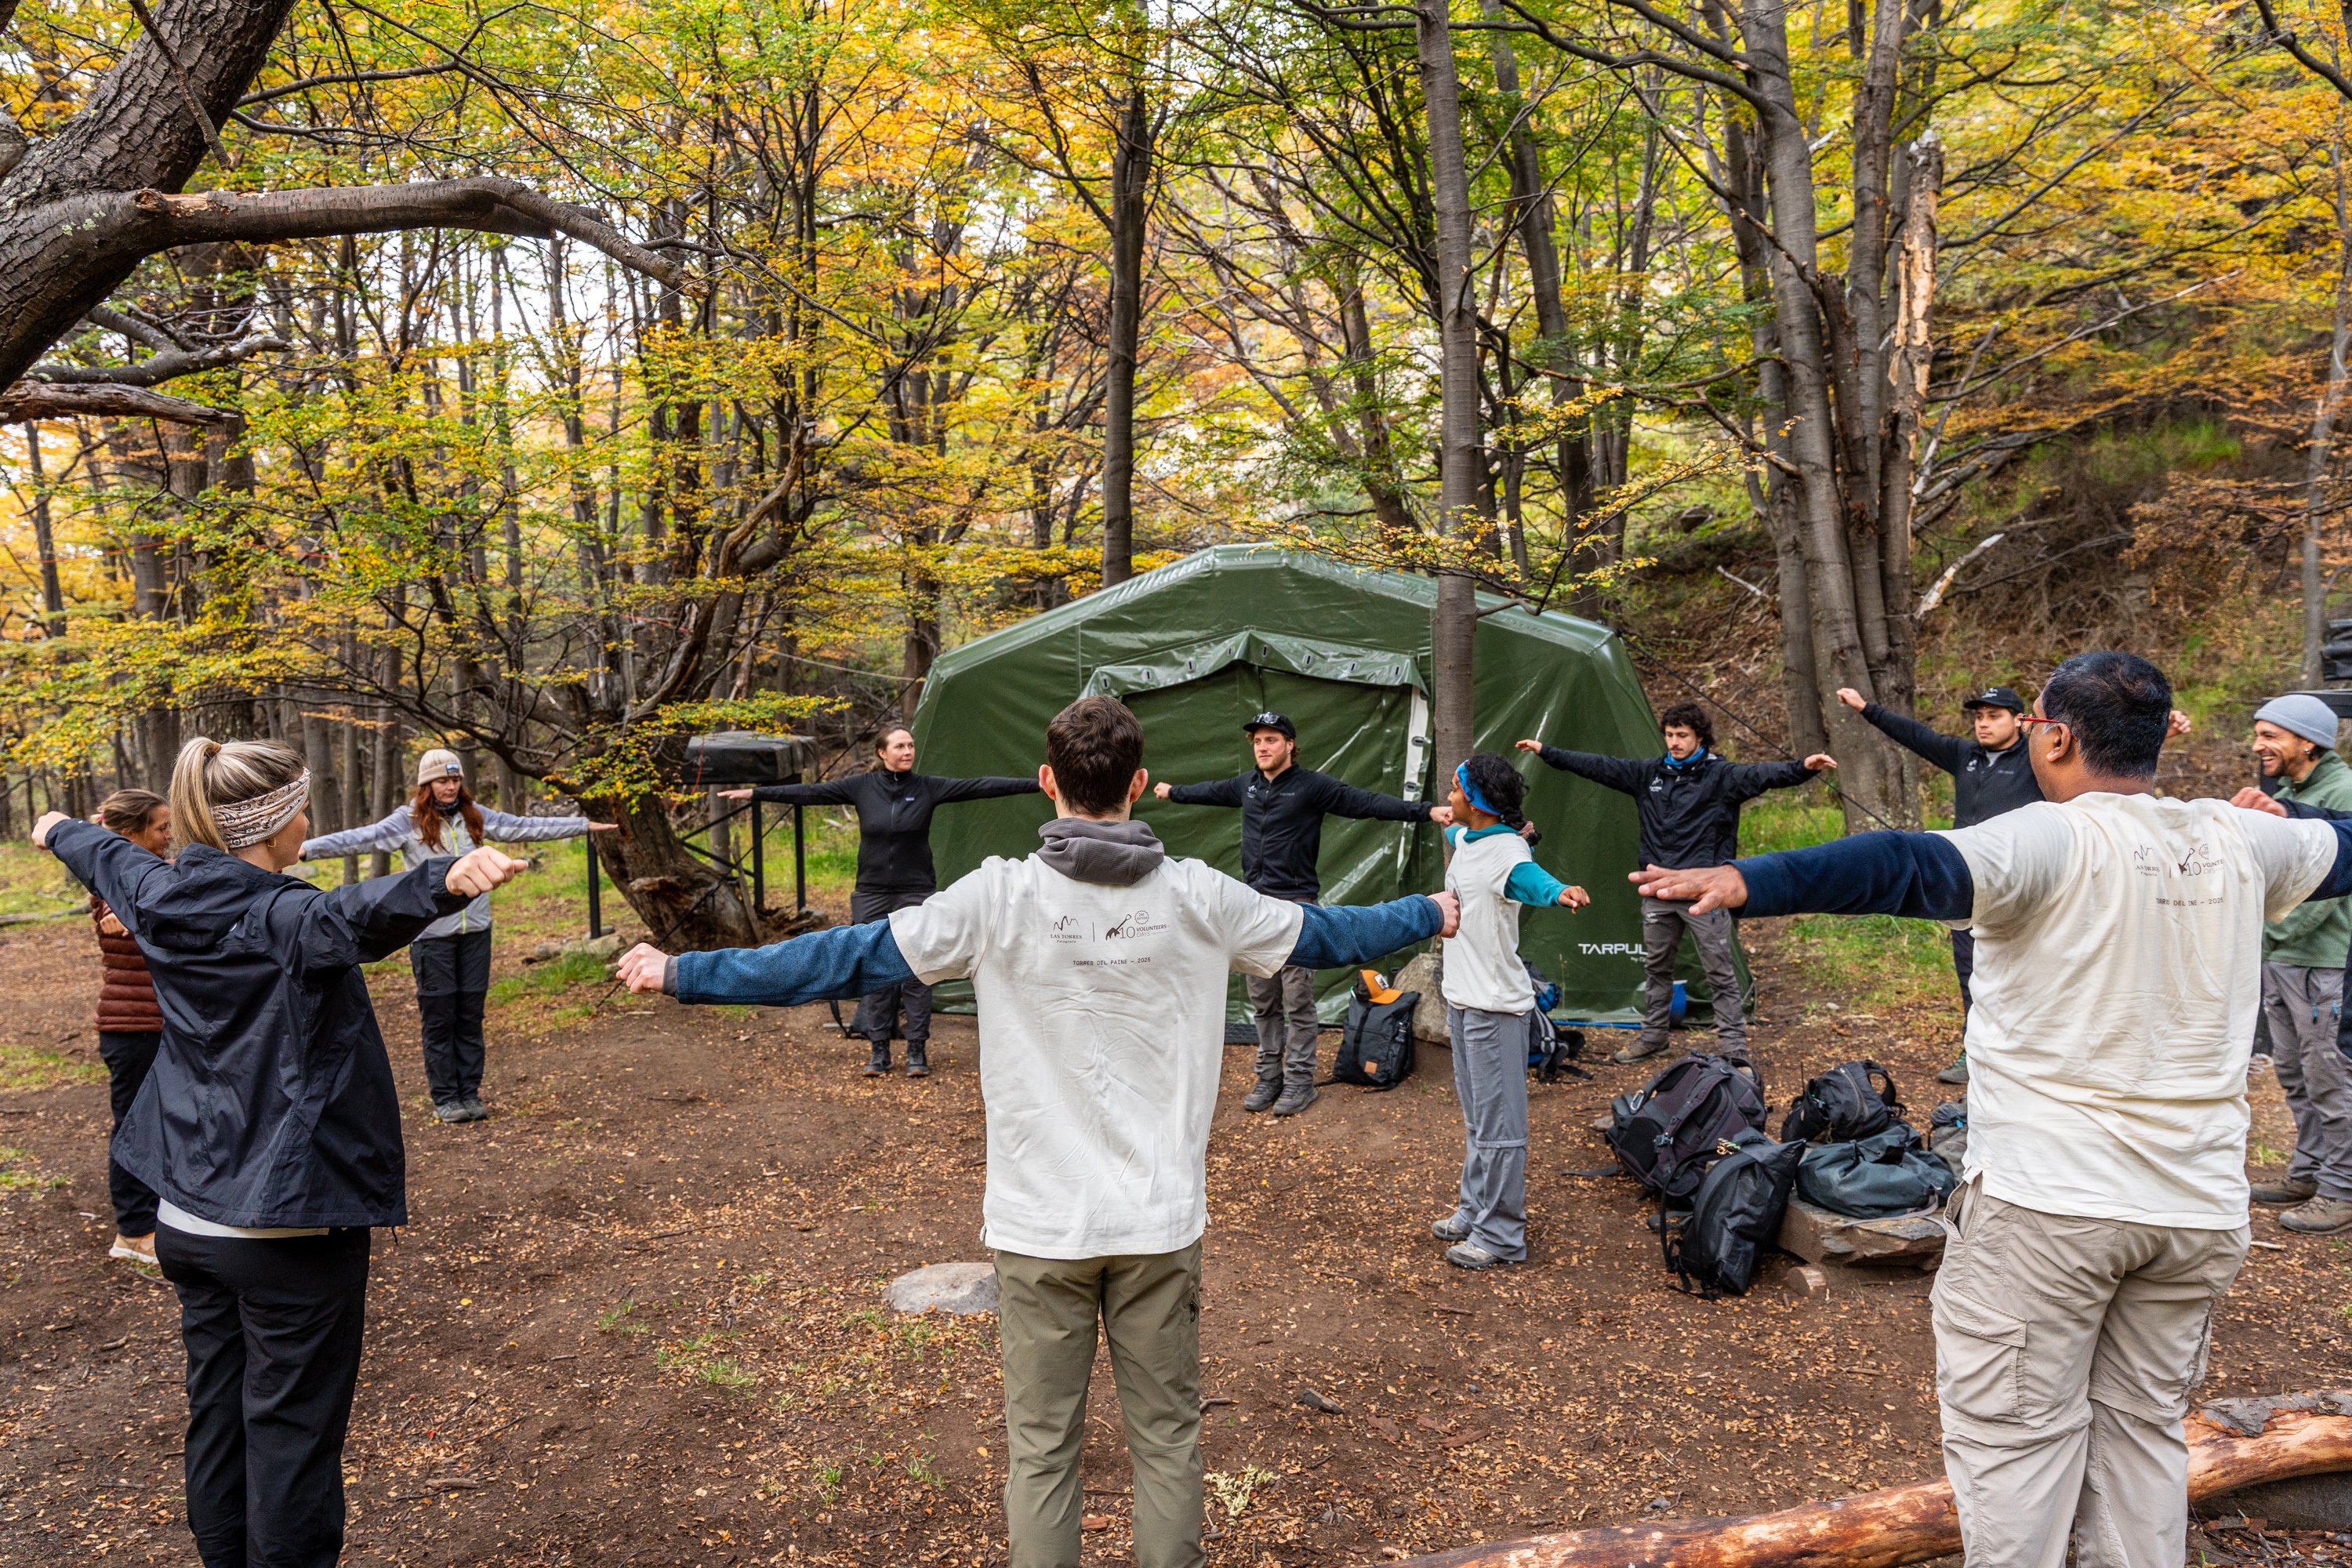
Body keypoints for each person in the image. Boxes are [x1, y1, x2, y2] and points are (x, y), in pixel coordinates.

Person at [618, 695, 1459, 1568]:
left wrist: (686, 969)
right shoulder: (1202, 897)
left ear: (1049, 781)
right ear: (1138, 784)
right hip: (1157, 1226)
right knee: (1167, 1442)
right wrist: (1430, 911)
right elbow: (1331, 934)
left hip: (1039, 1228)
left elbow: (840, 956)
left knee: (1044, 1452)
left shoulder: (999, 896)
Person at [1628, 652, 2352, 1568]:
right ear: (2161, 734)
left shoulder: (2053, 838)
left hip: (2052, 1209)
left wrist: (1748, 880)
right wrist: (2299, 818)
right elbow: (2348, 846)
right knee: (2141, 1440)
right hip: (2196, 1213)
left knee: (2018, 1449)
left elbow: (1904, 863)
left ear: (2054, 736)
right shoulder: (2240, 838)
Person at [38, 737, 528, 1568]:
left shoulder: (157, 890)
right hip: (284, 1229)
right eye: (302, 808)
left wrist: (54, 826)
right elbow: (351, 917)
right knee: (291, 1438)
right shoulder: (281, 913)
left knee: (220, 1413)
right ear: (275, 822)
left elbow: (103, 853)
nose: (310, 821)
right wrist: (443, 880)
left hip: (187, 1214)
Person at [1152, 710, 1450, 1115]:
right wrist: (1174, 792)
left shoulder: (1312, 787)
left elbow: (1366, 803)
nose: (1262, 746)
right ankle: (1269, 1077)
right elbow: (1211, 791)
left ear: (1290, 745)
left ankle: (1299, 1081)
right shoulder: (1248, 786)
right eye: (1257, 740)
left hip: (1297, 910)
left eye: (1271, 739)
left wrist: (1427, 810)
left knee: (1297, 1002)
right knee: (1264, 1003)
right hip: (1253, 909)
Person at [296, 749, 613, 1123]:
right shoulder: (408, 822)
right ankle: (446, 1096)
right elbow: (361, 838)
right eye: (442, 780)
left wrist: (584, 826)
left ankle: (470, 1091)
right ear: (426, 785)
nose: (450, 787)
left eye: (455, 779)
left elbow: (526, 826)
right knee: (440, 1016)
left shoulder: (475, 817)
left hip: (477, 931)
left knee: (470, 1014)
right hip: (431, 935)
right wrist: (307, 848)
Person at [1516, 702, 1831, 1064]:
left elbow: (1764, 775)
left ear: (1700, 737)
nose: (1675, 742)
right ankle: (1654, 1039)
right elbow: (1599, 767)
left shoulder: (1721, 777)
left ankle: (1734, 1050)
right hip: (1658, 890)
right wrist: (1547, 752)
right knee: (1657, 968)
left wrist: (1804, 769)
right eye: (1670, 735)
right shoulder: (1649, 773)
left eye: (1682, 735)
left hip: (1705, 894)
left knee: (1720, 971)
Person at [720, 725, 1040, 1078]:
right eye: (900, 746)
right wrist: (755, 793)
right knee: (872, 967)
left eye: (911, 746)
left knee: (919, 971)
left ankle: (917, 1050)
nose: (908, 751)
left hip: (915, 890)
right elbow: (810, 793)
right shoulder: (861, 787)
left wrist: (1037, 783)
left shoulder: (927, 787)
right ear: (882, 753)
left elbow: (982, 787)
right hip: (871, 892)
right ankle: (878, 1050)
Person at [1835, 684, 2041, 1086]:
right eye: (1979, 717)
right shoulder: (1965, 756)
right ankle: (1975, 1050)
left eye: (1994, 716)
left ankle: (2025, 1054)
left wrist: (2158, 735)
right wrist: (1865, 709)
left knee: (2023, 969)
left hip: (2018, 883)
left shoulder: (2035, 759)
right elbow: (1916, 736)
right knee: (1970, 971)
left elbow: (2084, 761)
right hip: (1966, 883)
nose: (1983, 724)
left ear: (2020, 720)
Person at [1431, 753, 1588, 1270]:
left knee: (1501, 1130)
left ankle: (1500, 1236)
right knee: (1479, 1123)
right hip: (1462, 1000)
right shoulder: (1470, 839)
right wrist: (1443, 822)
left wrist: (1559, 892)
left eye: (1455, 790)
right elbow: (1463, 839)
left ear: (1474, 801)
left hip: (1495, 1009)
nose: (1449, 797)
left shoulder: (1505, 856)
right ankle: (1475, 1209)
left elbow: (1528, 878)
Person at [2228, 694, 2352, 1232]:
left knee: (2330, 1077)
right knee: (2294, 1073)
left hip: (2323, 963)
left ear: (2309, 741)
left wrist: (2264, 927)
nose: (2258, 746)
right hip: (2280, 958)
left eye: (2270, 735)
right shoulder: (2289, 790)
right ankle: (2308, 1171)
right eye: (2258, 733)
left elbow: (2328, 895)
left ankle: (2343, 1190)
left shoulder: (2341, 791)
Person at [90, 788, 170, 1266]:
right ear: (129, 835)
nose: (167, 836)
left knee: (162, 1123)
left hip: (157, 1024)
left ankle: (156, 1215)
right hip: (131, 1026)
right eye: (160, 828)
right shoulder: (113, 878)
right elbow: (113, 921)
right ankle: (134, 1231)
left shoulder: (150, 872)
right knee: (135, 1127)